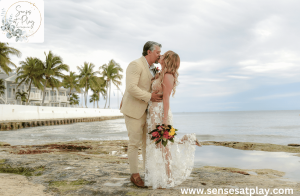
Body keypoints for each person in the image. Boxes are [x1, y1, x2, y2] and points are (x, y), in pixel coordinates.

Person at [144, 50, 201, 189]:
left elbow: (166, 100)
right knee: (157, 146)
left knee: (165, 147)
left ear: (168, 60)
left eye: (163, 55)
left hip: (161, 115)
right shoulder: (160, 74)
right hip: (152, 115)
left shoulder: (168, 76)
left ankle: (168, 178)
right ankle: (157, 177)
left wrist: (164, 121)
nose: (161, 56)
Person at [120, 41, 163, 188]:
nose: (160, 55)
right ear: (149, 52)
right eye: (158, 52)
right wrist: (150, 96)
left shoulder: (154, 68)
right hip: (133, 110)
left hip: (148, 112)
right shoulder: (135, 65)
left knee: (147, 144)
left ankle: (148, 173)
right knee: (134, 143)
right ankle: (134, 174)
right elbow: (131, 87)